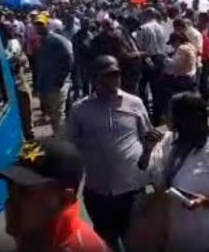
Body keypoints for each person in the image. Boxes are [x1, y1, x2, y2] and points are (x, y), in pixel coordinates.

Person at [65, 55, 159, 250]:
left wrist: (150, 155)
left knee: (136, 242)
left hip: (132, 190)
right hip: (98, 193)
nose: (116, 79)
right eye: (109, 75)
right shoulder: (79, 110)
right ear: (95, 79)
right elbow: (70, 147)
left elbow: (147, 138)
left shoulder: (135, 103)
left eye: (117, 74)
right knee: (108, 243)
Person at [138, 92, 209, 252]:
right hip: (174, 241)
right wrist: (147, 152)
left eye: (171, 112)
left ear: (185, 118)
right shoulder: (167, 142)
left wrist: (206, 202)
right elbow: (151, 179)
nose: (166, 116)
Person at [0, 138, 111, 252]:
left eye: (26, 192)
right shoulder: (33, 236)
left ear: (64, 199)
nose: (10, 202)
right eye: (10, 188)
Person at [34, 14, 74, 136]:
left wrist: (60, 80)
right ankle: (58, 135)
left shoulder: (58, 40)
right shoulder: (42, 41)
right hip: (47, 85)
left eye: (42, 24)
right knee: (53, 115)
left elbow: (69, 59)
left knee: (58, 115)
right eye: (37, 25)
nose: (39, 27)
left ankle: (61, 141)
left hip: (57, 85)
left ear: (48, 25)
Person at [135, 8, 168, 123]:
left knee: (143, 87)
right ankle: (158, 115)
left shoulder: (142, 28)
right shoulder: (162, 27)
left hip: (147, 58)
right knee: (158, 88)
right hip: (161, 58)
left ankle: (146, 113)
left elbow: (138, 46)